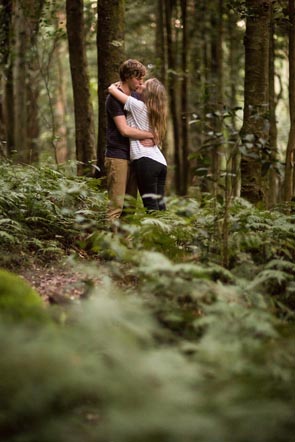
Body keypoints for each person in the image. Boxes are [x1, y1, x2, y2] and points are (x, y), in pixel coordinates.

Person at [108, 77, 168, 212]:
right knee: (160, 206)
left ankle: (154, 233)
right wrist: (153, 136)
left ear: (149, 93)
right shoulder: (156, 111)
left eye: (144, 85)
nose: (141, 84)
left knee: (151, 206)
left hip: (146, 160)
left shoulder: (138, 106)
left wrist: (114, 86)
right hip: (160, 162)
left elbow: (112, 90)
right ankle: (165, 232)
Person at [105, 59, 154, 222]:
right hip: (117, 155)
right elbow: (124, 130)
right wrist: (150, 135)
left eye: (142, 78)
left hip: (135, 155)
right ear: (127, 76)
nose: (141, 82)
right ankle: (108, 246)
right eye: (137, 78)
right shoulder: (113, 99)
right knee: (116, 207)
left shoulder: (136, 95)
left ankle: (124, 246)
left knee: (130, 208)